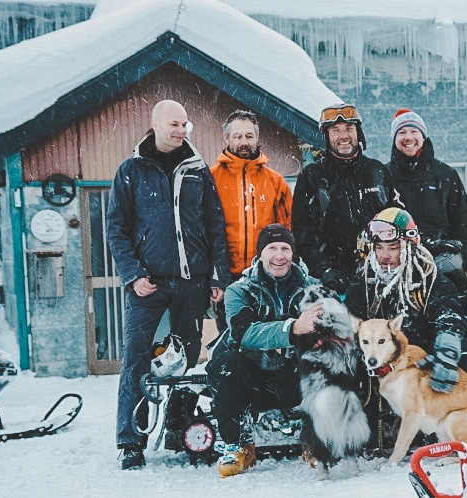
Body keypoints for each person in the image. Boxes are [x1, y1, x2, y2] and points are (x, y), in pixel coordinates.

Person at [106, 99, 231, 470]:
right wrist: (133, 274)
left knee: (188, 360)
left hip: (193, 283)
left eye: (184, 125)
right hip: (149, 284)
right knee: (137, 360)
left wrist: (217, 275)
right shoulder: (131, 170)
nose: (180, 131)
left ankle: (180, 427)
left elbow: (214, 226)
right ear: (155, 124)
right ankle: (131, 440)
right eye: (173, 124)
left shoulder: (198, 171)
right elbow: (116, 229)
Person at [345, 207, 467, 448]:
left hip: (418, 372)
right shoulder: (365, 283)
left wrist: (448, 351)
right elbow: (347, 318)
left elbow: (449, 315)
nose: (385, 256)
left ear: (409, 247)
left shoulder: (428, 281)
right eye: (379, 248)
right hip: (374, 373)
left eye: (393, 248)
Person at [210, 224, 322, 477]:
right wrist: (292, 328)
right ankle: (238, 444)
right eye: (272, 248)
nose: (279, 255)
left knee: (328, 357)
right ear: (260, 254)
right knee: (225, 361)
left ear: (293, 253)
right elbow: (245, 333)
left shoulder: (313, 288)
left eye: (285, 248)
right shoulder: (239, 290)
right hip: (254, 378)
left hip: (295, 377)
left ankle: (317, 440)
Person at [292, 103, 399, 295]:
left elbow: (396, 222)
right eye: (335, 130)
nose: (344, 136)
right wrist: (324, 269)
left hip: (378, 277)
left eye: (349, 128)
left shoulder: (378, 172)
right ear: (326, 136)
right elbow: (302, 232)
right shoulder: (312, 177)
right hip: (333, 282)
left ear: (358, 132)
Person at [210, 109, 293, 330]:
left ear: (257, 138)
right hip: (226, 278)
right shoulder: (210, 178)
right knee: (230, 340)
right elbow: (203, 230)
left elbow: (288, 228)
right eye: (237, 136)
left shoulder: (274, 181)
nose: (244, 142)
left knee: (264, 339)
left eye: (249, 136)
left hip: (265, 278)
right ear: (227, 139)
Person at [386, 109, 467, 291]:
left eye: (414, 131)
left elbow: (462, 222)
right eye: (401, 132)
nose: (408, 137)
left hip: (444, 267)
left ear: (423, 136)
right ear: (394, 138)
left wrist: (462, 261)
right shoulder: (384, 176)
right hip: (398, 268)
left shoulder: (445, 174)